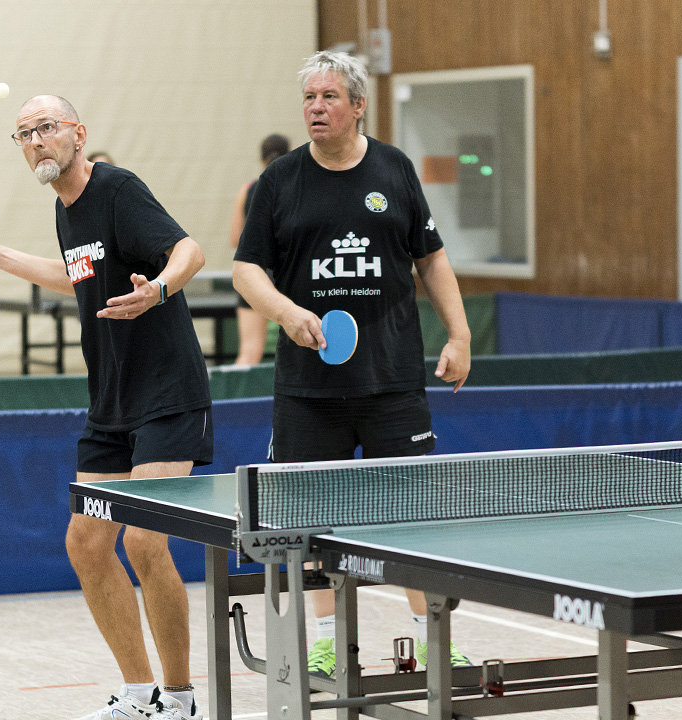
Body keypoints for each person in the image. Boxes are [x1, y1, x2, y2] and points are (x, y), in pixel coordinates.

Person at [0, 95, 210, 720]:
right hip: (111, 401)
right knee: (88, 543)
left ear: (78, 133)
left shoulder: (117, 189)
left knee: (145, 542)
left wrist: (158, 289)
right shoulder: (64, 208)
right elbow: (77, 276)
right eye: (24, 133)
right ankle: (139, 693)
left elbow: (190, 250)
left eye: (46, 128)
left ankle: (180, 699)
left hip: (166, 393)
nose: (35, 141)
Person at [232, 50, 473, 678]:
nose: (316, 108)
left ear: (358, 105)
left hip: (392, 381)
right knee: (311, 520)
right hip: (309, 388)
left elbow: (431, 258)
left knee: (412, 515)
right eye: (309, 98)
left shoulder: (394, 169)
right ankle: (325, 641)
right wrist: (286, 312)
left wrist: (459, 334)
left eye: (329, 97)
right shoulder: (280, 181)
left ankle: (432, 637)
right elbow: (245, 269)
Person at [227, 133, 291, 366]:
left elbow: (236, 239)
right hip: (288, 274)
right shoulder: (297, 188)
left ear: (261, 158)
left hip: (255, 273)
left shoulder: (248, 189)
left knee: (249, 352)